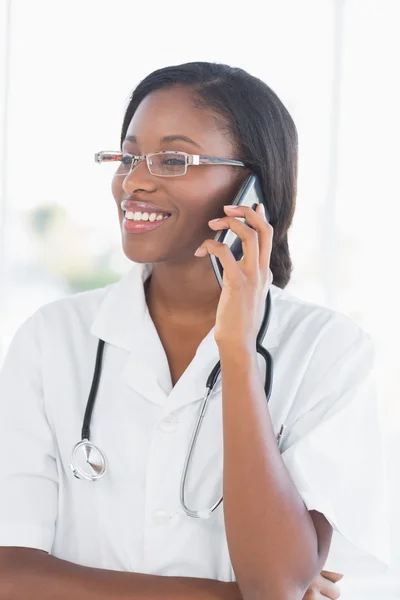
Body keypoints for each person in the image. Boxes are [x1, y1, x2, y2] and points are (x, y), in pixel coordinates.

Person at [0, 62, 389, 600]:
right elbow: (8, 572)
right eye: (129, 155)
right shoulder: (52, 338)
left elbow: (275, 580)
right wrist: (220, 595)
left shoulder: (326, 351)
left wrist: (236, 351)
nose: (134, 180)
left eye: (174, 159)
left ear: (251, 187)